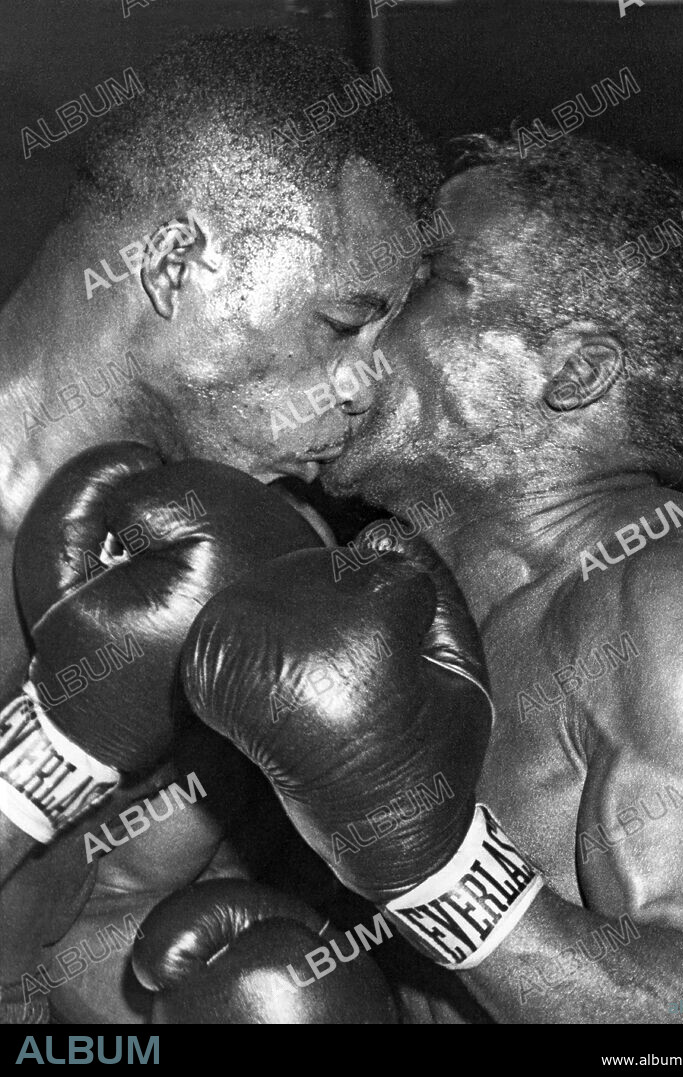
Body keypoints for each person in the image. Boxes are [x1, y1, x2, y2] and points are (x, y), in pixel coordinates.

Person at [184, 135, 683, 1023]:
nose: (364, 313)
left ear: (574, 371)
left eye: (423, 278)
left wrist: (436, 867)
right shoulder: (374, 601)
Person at [0, 26, 438, 1022]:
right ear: (169, 261)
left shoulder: (233, 566)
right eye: (339, 325)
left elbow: (66, 936)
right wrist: (49, 758)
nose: (363, 388)